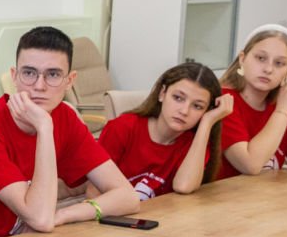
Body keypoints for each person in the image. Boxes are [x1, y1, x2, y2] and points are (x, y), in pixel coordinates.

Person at [0, 26, 139, 237]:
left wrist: (64, 214)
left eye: (53, 75)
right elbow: (40, 219)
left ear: (70, 81)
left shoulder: (65, 117)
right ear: (14, 76)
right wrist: (45, 127)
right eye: (29, 73)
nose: (39, 86)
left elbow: (128, 197)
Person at [97, 61, 231, 200]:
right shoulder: (122, 127)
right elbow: (93, 191)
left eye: (197, 106)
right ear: (162, 93)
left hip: (165, 213)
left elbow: (184, 186)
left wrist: (207, 123)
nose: (184, 111)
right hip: (115, 213)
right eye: (178, 98)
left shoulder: (195, 143)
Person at [215, 24, 287, 179]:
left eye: (279, 63)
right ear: (242, 59)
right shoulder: (224, 100)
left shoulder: (280, 105)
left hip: (266, 192)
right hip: (226, 193)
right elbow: (250, 164)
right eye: (260, 58)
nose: (268, 69)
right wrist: (283, 111)